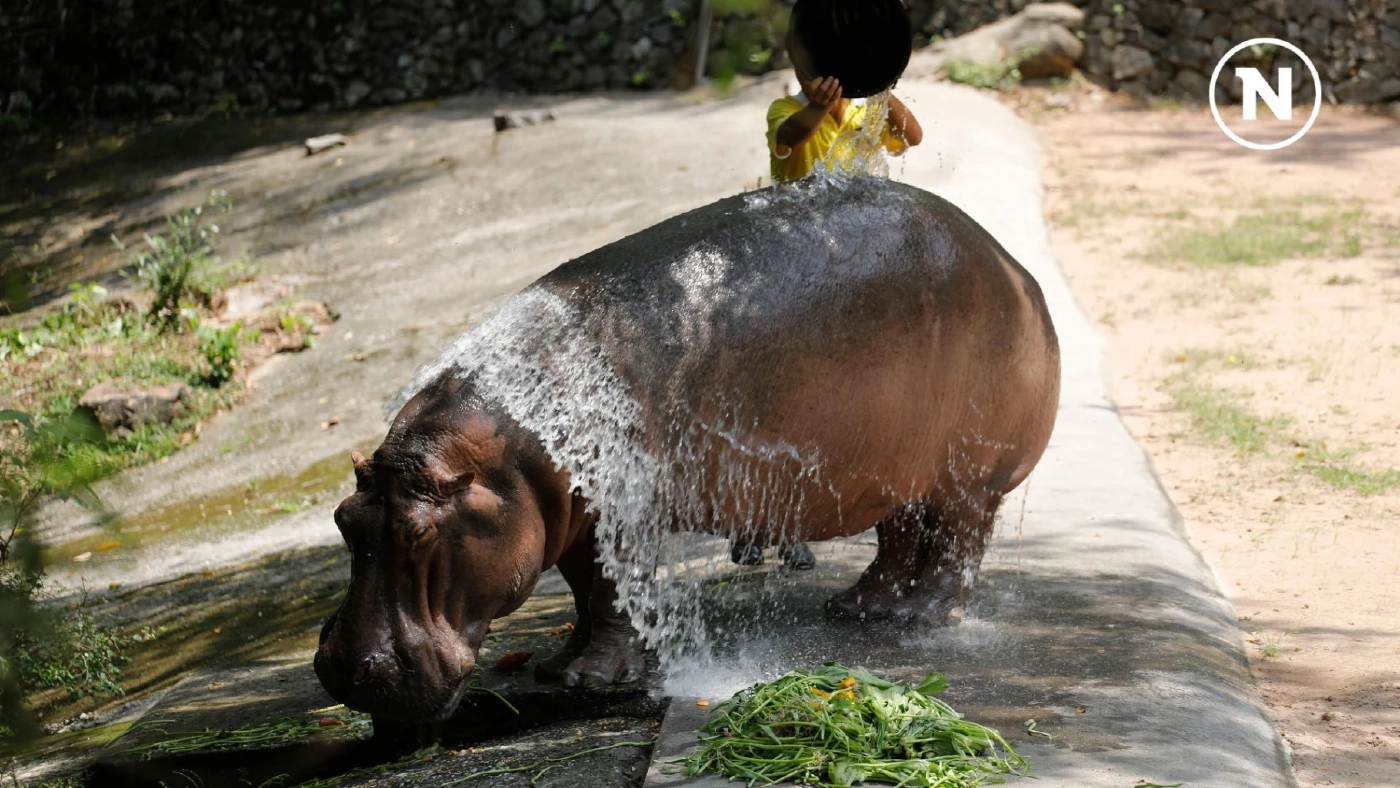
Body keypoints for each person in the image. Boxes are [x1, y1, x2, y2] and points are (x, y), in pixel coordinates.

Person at [766, 13, 923, 183]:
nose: (812, 77)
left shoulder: (869, 112)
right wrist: (819, 107)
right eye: (805, 69)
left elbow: (912, 137)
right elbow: (789, 136)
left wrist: (879, 86)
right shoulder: (786, 109)